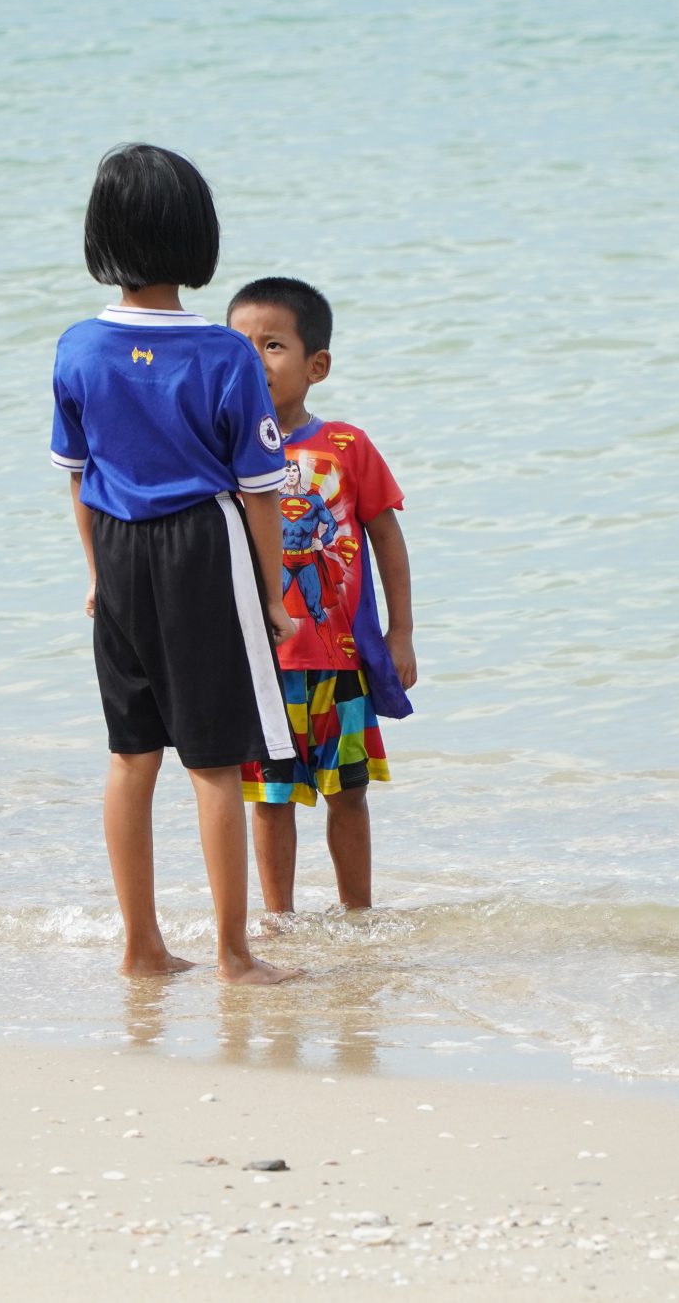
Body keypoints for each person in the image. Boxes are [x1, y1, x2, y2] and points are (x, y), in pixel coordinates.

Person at [51, 145, 299, 985]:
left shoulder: (79, 347)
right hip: (204, 548)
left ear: (101, 236)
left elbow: (79, 479)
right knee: (216, 763)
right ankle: (234, 954)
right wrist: (273, 596)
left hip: (118, 549)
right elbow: (261, 491)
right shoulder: (224, 354)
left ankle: (142, 946)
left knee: (131, 755)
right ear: (199, 235)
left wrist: (94, 573)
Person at [226, 277, 416, 916]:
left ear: (317, 365)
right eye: (239, 345)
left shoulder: (346, 446)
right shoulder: (220, 450)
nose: (255, 359)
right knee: (270, 797)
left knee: (350, 793)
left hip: (341, 663)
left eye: (273, 345)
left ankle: (357, 916)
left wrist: (401, 634)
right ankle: (278, 921)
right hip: (261, 666)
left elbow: (387, 537)